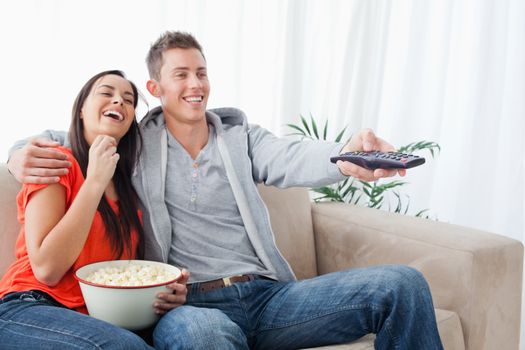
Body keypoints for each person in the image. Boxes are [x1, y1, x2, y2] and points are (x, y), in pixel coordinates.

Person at [7, 32, 443, 349]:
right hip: (191, 306)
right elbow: (74, 136)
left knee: (400, 283)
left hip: (270, 297)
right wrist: (17, 153)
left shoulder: (242, 138)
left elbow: (290, 156)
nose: (195, 84)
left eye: (201, 73)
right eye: (181, 75)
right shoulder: (136, 147)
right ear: (156, 90)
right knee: (204, 336)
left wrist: (346, 156)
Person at [0, 70, 178, 350]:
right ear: (81, 109)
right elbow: (47, 268)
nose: (119, 101)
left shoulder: (132, 196)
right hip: (29, 305)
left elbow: (122, 278)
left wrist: (166, 292)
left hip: (94, 320)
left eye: (128, 99)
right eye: (107, 93)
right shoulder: (56, 162)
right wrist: (95, 181)